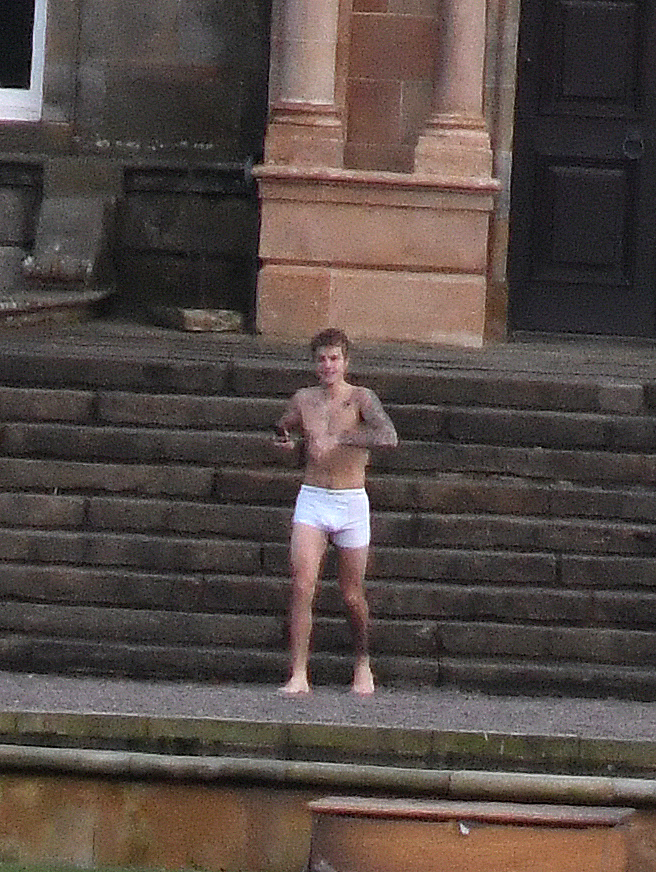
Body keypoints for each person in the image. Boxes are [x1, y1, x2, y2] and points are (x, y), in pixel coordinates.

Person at [273, 328, 398, 695]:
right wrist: (282, 439)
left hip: (350, 499)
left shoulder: (361, 398)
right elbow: (283, 426)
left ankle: (362, 661)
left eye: (334, 359)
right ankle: (298, 673)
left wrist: (341, 438)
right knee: (301, 585)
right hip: (313, 497)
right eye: (322, 359)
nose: (328, 366)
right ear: (314, 364)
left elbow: (388, 437)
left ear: (346, 362)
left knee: (350, 594)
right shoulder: (304, 399)